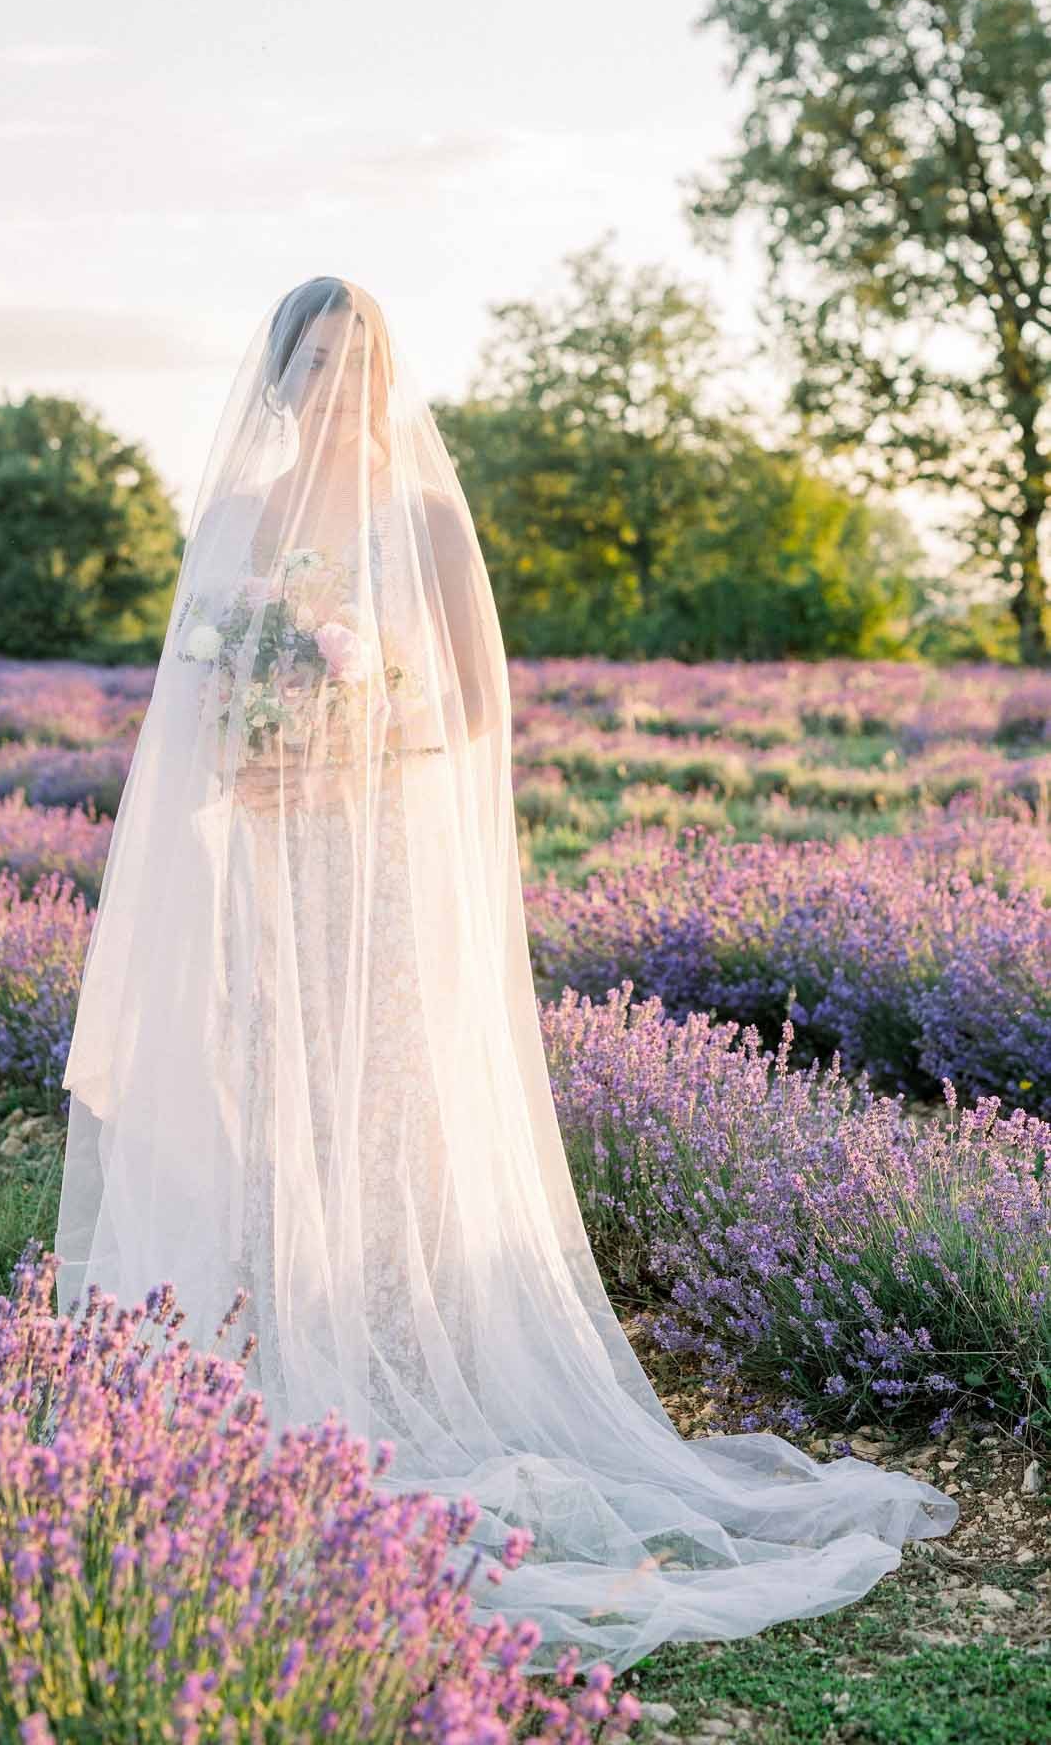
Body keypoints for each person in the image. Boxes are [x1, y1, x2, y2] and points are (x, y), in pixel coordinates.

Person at [53, 275, 957, 1672]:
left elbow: (475, 711)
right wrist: (259, 751)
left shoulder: (421, 520)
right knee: (267, 1101)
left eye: (361, 355)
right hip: (274, 872)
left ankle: (405, 1356)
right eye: (316, 357)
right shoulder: (236, 519)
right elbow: (191, 706)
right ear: (283, 378)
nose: (340, 379)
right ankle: (282, 1346)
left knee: (388, 1113)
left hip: (379, 866)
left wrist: (342, 741)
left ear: (385, 371)